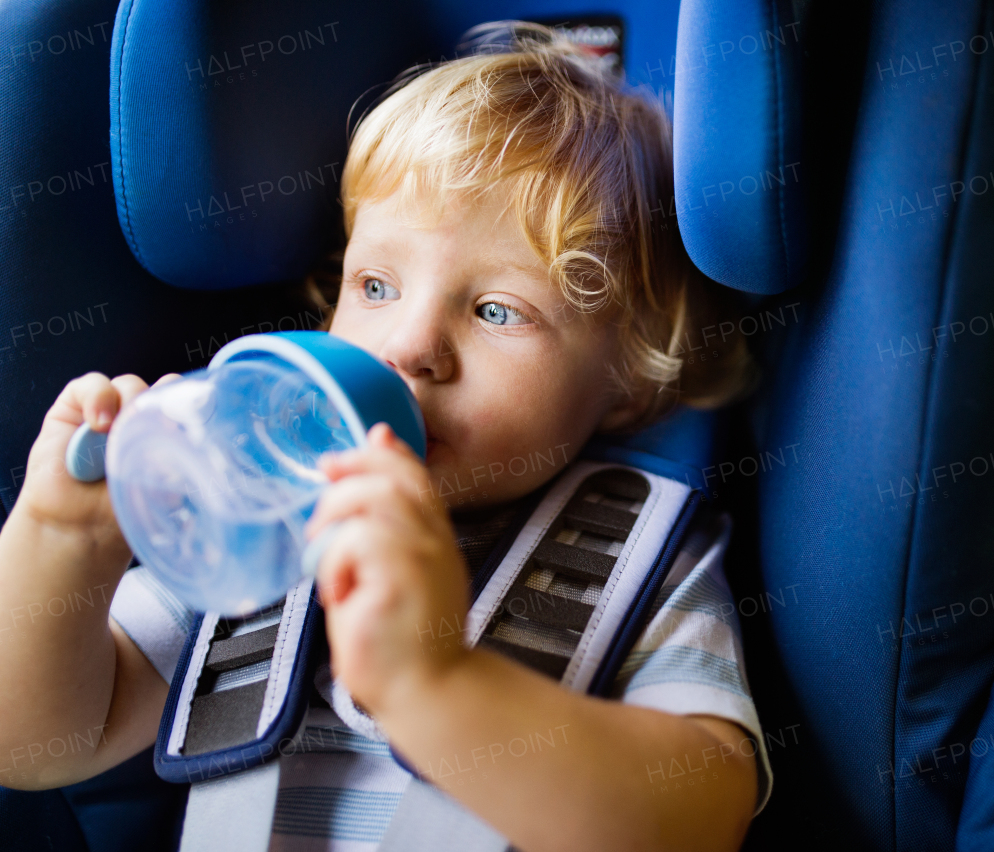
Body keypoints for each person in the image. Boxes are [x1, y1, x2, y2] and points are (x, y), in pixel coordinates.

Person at [0, 22, 770, 852]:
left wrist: (438, 686)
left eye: (497, 311)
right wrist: (64, 538)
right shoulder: (258, 516)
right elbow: (34, 746)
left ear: (626, 385)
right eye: (376, 285)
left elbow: (700, 815)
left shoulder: (639, 558)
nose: (409, 347)